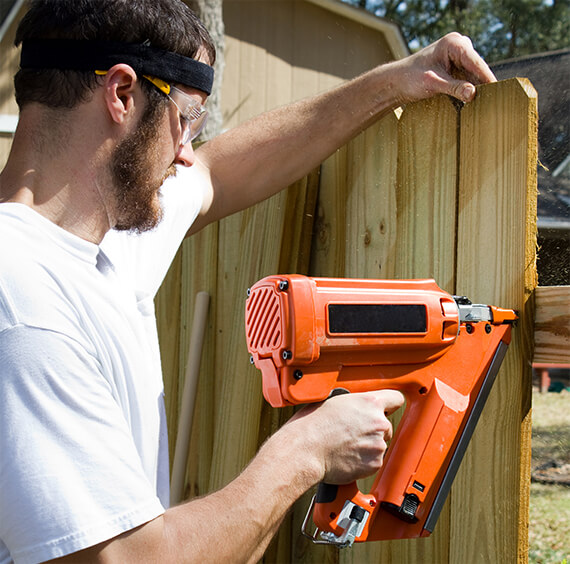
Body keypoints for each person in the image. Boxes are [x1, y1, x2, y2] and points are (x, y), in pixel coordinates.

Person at [0, 1, 496, 562]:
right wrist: (306, 450)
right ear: (119, 94)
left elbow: (218, 172)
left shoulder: (95, 243)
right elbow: (127, 560)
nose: (185, 153)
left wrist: (399, 80)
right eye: (185, 120)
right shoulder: (25, 306)